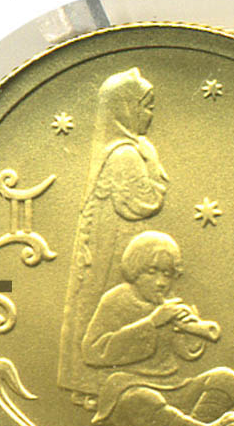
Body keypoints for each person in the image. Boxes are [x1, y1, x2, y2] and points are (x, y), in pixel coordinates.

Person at [81, 231, 234, 426]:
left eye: (167, 275)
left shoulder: (167, 304)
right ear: (134, 270)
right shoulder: (117, 299)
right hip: (130, 389)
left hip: (172, 386)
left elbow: (186, 353)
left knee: (226, 379)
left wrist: (191, 332)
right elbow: (93, 351)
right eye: (152, 272)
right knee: (141, 401)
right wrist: (152, 323)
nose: (161, 282)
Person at [58, 68, 169, 405]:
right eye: (146, 106)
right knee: (105, 308)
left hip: (113, 243)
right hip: (112, 248)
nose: (150, 114)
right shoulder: (125, 155)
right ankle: (93, 385)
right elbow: (144, 202)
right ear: (125, 109)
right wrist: (153, 165)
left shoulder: (123, 150)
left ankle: (93, 383)